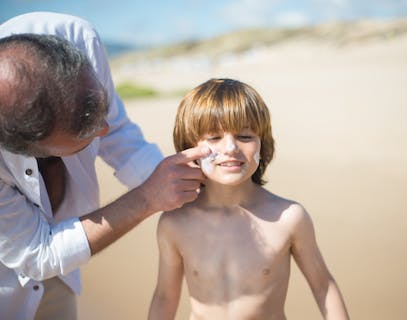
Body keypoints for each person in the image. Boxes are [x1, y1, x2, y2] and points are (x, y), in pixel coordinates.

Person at [0, 12, 209, 319]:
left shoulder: (79, 38)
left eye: (100, 110)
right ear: (32, 149)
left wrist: (185, 191)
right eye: (85, 135)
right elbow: (39, 254)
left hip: (62, 277)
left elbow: (119, 130)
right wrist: (148, 198)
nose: (104, 130)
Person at [148, 78, 349, 319]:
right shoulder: (175, 223)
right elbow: (165, 297)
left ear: (262, 144)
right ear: (189, 147)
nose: (231, 148)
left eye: (244, 136)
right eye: (214, 138)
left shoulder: (288, 218)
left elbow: (323, 286)